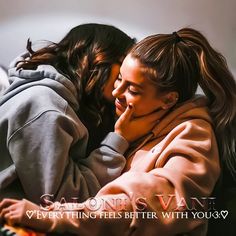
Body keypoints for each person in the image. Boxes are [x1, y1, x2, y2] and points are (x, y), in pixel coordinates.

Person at [1, 27, 236, 236]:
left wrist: (50, 216)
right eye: (119, 79)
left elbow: (141, 206)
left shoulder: (193, 135)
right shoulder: (137, 119)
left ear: (168, 100)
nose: (116, 92)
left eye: (132, 88)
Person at [0, 23, 137, 204]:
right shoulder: (44, 108)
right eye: (122, 65)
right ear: (98, 59)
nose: (126, 77)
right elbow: (61, 201)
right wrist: (119, 139)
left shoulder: (72, 103)